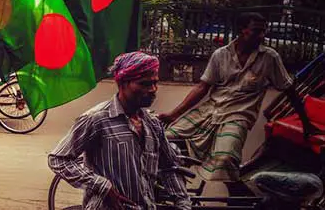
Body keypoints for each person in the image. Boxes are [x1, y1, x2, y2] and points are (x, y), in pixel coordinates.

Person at [158, 12, 293, 187]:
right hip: (210, 110)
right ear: (241, 30)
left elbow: (289, 88)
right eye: (256, 31)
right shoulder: (221, 54)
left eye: (263, 31)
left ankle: (235, 193)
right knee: (167, 138)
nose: (261, 36)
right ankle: (175, 184)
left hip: (238, 115)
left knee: (227, 157)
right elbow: (202, 87)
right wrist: (173, 114)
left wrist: (305, 122)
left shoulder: (270, 57)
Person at [49, 51, 191, 210]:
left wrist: (183, 203)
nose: (152, 89)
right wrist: (102, 186)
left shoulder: (153, 124)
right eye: (144, 84)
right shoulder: (97, 119)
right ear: (122, 83)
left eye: (155, 83)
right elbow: (58, 159)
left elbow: (169, 167)